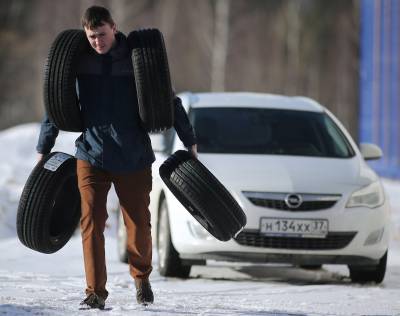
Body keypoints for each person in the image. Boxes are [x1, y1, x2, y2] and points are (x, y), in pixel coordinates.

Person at [36, 5, 197, 309]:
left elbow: (168, 99)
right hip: (91, 154)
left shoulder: (137, 59)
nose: (97, 41)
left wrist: (189, 140)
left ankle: (141, 278)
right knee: (91, 223)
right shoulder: (79, 59)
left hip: (133, 156)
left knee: (138, 223)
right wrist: (45, 145)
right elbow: (55, 102)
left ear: (114, 27)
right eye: (92, 36)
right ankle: (95, 292)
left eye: (102, 34)